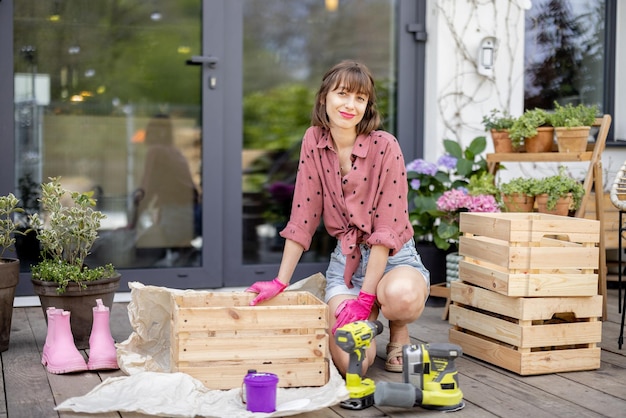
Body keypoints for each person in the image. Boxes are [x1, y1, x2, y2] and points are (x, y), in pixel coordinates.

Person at [246, 60, 430, 376]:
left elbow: (386, 230)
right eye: (343, 94)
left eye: (360, 98)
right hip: (348, 266)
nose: (350, 105)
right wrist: (280, 281)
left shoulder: (386, 146)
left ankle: (397, 328)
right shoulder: (313, 141)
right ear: (324, 98)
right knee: (351, 364)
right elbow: (303, 215)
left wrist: (367, 296)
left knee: (401, 297)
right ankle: (368, 320)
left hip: (394, 260)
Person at [131, 114, 199, 259]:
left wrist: (132, 223)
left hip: (178, 214)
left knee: (144, 253)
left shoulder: (156, 151)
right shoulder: (174, 151)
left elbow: (146, 190)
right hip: (190, 213)